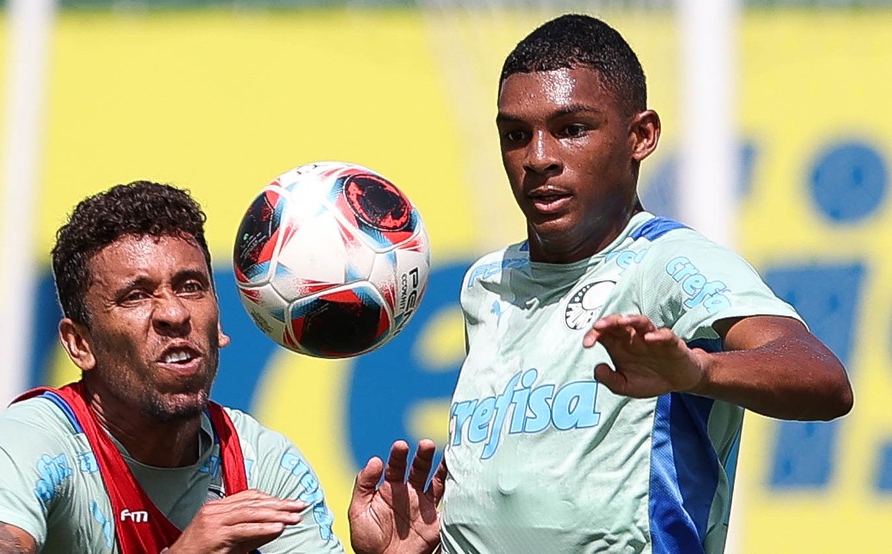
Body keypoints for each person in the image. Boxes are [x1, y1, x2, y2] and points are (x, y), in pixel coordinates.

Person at [348, 13, 854, 554]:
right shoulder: (486, 285)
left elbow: (823, 380)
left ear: (641, 136)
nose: (538, 158)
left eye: (571, 129)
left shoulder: (666, 261)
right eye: (517, 135)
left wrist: (698, 369)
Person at [0, 181, 345, 553]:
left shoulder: (265, 463)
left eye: (190, 286)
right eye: (135, 296)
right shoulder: (26, 445)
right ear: (80, 344)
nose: (174, 312)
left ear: (219, 323)